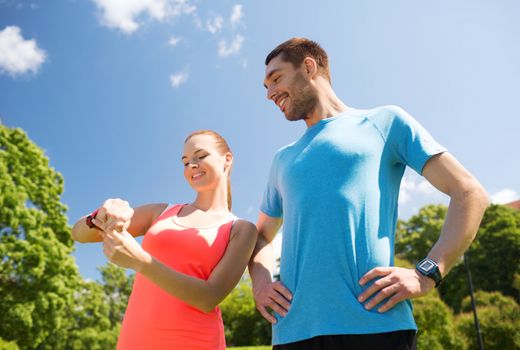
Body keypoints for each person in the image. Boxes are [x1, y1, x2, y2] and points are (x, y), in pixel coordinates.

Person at [248, 38, 489, 350]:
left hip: (377, 327)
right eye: (265, 86)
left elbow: (469, 192)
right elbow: (261, 236)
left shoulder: (384, 122)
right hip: (294, 332)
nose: (269, 94)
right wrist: (261, 283)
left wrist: (427, 273)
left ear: (309, 67)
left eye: (276, 78)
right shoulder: (283, 158)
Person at [72, 130, 258, 350]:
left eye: (201, 156)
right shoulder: (161, 212)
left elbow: (209, 297)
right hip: (136, 339)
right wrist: (102, 214)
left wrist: (141, 262)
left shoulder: (241, 229)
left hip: (195, 342)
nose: (192, 165)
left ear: (227, 159)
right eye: (185, 161)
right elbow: (79, 234)